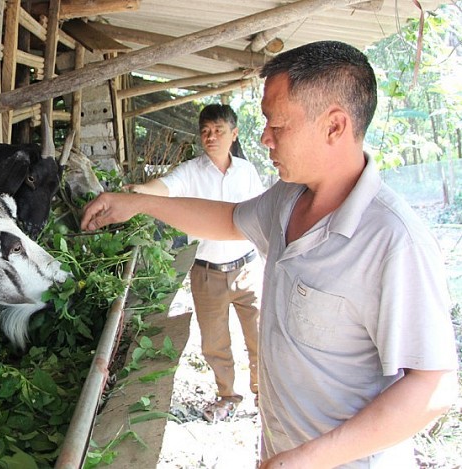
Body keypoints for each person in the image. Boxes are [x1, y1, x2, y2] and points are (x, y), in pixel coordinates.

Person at [81, 41, 458, 468]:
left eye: (277, 125)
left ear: (335, 126)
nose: (264, 139)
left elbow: (433, 388)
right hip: (281, 448)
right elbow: (228, 220)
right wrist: (139, 203)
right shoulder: (288, 197)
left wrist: (306, 459)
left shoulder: (392, 240)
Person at [127, 103, 264, 422]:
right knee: (215, 342)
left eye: (218, 130)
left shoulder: (247, 172)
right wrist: (138, 193)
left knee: (259, 336)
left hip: (247, 269)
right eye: (205, 131)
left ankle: (264, 395)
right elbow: (164, 187)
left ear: (234, 133)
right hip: (207, 274)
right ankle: (227, 396)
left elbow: (260, 214)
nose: (211, 137)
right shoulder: (190, 171)